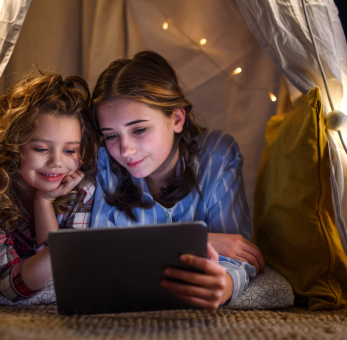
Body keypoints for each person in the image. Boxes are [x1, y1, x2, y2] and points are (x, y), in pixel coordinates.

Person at [91, 51, 265, 311]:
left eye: (139, 130)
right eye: (111, 135)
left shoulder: (217, 155)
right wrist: (199, 241)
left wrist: (224, 285)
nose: (125, 150)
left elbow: (237, 252)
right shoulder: (106, 162)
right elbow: (97, 253)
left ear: (177, 119)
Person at [0, 72, 97, 302]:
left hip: (47, 278)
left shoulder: (83, 192)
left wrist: (44, 202)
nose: (57, 162)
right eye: (41, 149)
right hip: (19, 277)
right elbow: (9, 284)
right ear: (12, 146)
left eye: (69, 150)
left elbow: (65, 271)